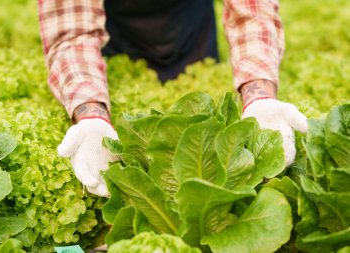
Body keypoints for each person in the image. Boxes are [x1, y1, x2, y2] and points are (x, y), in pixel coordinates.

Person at [38, 0, 307, 196]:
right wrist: (91, 116)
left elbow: (252, 11)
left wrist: (259, 97)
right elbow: (72, 31)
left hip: (189, 27)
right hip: (112, 34)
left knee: (199, 135)